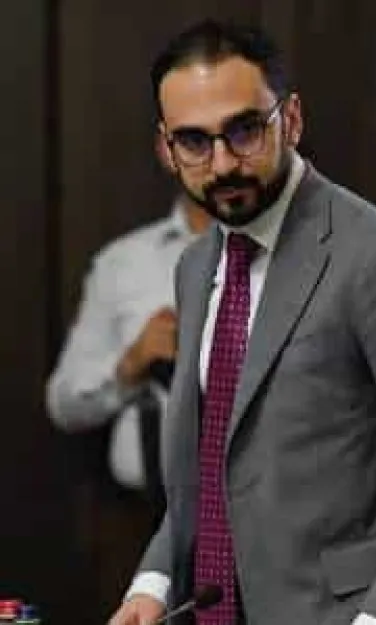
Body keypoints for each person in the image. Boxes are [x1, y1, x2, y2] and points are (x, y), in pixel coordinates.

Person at [108, 19, 376, 625]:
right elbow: (210, 471)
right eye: (194, 142)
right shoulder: (195, 266)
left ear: (290, 120)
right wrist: (152, 585)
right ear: (167, 147)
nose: (222, 164)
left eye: (244, 131)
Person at [46, 158, 211, 618]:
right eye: (194, 139)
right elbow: (62, 403)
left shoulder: (287, 261)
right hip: (135, 523)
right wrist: (129, 365)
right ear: (166, 146)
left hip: (263, 523)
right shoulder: (122, 264)